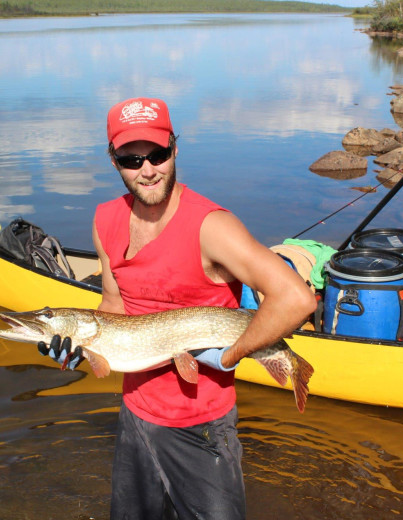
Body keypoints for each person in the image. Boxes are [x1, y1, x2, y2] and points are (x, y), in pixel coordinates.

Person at [40, 97, 317, 519]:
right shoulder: (105, 219)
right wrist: (79, 344)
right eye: (131, 159)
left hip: (201, 424)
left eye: (158, 154)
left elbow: (297, 298)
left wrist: (231, 354)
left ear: (174, 147)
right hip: (136, 414)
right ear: (113, 159)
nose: (147, 169)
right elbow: (114, 303)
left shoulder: (212, 226)